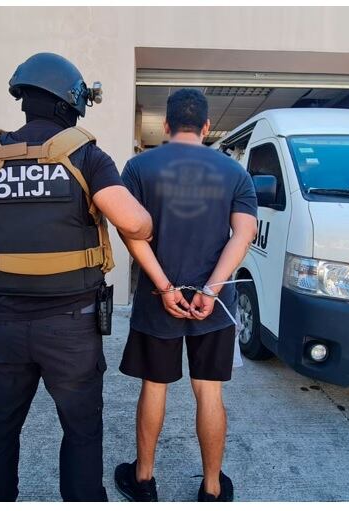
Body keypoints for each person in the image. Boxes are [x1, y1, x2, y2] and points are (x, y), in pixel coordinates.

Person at [0, 53, 154, 502]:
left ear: (24, 98)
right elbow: (134, 224)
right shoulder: (86, 156)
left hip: (4, 322)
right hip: (71, 327)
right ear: (70, 101)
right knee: (81, 431)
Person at [113, 88, 257, 502]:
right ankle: (212, 488)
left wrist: (163, 286)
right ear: (208, 127)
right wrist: (212, 289)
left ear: (167, 125)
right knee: (209, 389)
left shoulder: (139, 167)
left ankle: (143, 481)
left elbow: (131, 231)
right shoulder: (235, 173)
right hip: (213, 303)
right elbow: (243, 235)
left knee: (154, 386)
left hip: (159, 299)